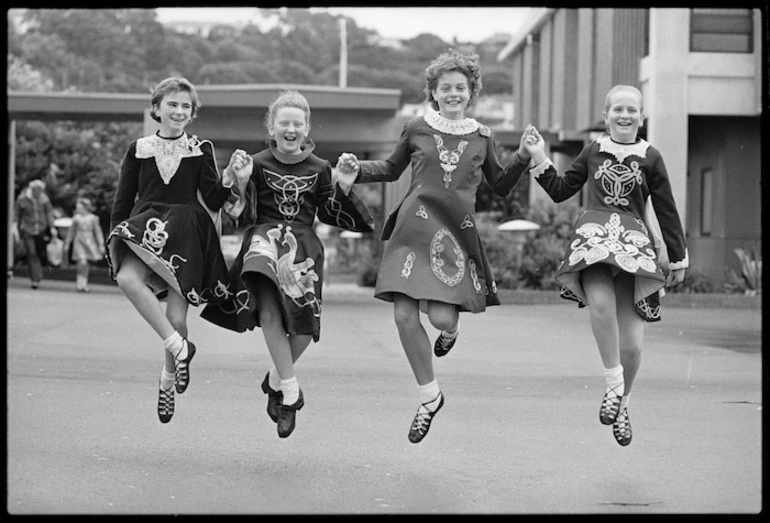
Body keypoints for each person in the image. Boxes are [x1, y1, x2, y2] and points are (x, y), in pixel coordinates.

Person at [336, 49, 532, 444]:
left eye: (461, 87)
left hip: (453, 234)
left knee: (441, 319)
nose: (453, 93)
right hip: (413, 228)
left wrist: (525, 156)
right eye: (446, 88)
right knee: (404, 316)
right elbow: (391, 169)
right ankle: (429, 396)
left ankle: (450, 331)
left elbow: (501, 183)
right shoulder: (416, 128)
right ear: (434, 91)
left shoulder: (482, 136)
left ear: (471, 91)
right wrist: (357, 170)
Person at [201, 89, 374, 439]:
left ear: (307, 128)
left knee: (305, 328)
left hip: (304, 248)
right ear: (272, 126)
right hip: (264, 242)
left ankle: (275, 379)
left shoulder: (321, 167)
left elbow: (332, 212)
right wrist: (243, 179)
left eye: (297, 123)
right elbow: (238, 215)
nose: (290, 129)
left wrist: (344, 184)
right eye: (284, 123)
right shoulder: (256, 161)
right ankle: (291, 394)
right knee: (267, 313)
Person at [522, 85, 688, 446]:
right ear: (606, 115)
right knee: (599, 304)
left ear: (641, 117)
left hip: (632, 245)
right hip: (595, 240)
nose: (625, 116)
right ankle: (613, 383)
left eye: (632, 110)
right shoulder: (593, 150)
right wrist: (539, 155)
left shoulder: (652, 157)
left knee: (632, 345)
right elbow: (562, 189)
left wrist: (677, 257)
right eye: (618, 110)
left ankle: (622, 403)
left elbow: (666, 208)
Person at [106, 76, 239, 424]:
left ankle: (167, 380)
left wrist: (229, 179)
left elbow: (212, 199)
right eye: (172, 104)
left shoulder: (201, 149)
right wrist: (113, 244)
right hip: (145, 226)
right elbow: (122, 202)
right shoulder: (138, 149)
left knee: (178, 318)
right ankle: (181, 348)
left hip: (186, 233)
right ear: (156, 109)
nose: (179, 111)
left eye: (185, 106)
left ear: (192, 113)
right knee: (126, 278)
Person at [13, 179, 56, 289]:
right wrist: (14, 226)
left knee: (38, 253)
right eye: (37, 191)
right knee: (31, 253)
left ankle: (36, 275)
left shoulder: (44, 199)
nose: (39, 193)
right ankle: (35, 279)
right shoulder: (22, 199)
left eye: (40, 191)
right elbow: (17, 214)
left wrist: (52, 227)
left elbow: (49, 212)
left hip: (41, 230)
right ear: (32, 189)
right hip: (27, 229)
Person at [64, 197, 105, 292]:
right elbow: (71, 231)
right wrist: (67, 242)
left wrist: (101, 244)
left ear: (85, 208)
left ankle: (84, 282)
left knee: (86, 262)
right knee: (82, 261)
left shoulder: (93, 218)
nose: (78, 209)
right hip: (79, 240)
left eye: (79, 207)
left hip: (89, 241)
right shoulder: (76, 218)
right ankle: (79, 281)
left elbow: (98, 231)